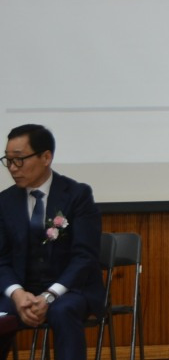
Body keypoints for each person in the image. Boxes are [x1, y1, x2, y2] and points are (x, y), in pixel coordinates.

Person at [0, 124, 104, 360]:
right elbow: (1, 258)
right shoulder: (5, 202)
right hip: (22, 291)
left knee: (63, 311)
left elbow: (84, 256)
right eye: (8, 161)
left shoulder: (77, 195)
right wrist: (17, 293)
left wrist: (50, 295)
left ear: (46, 157)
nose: (13, 168)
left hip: (69, 290)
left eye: (19, 160)